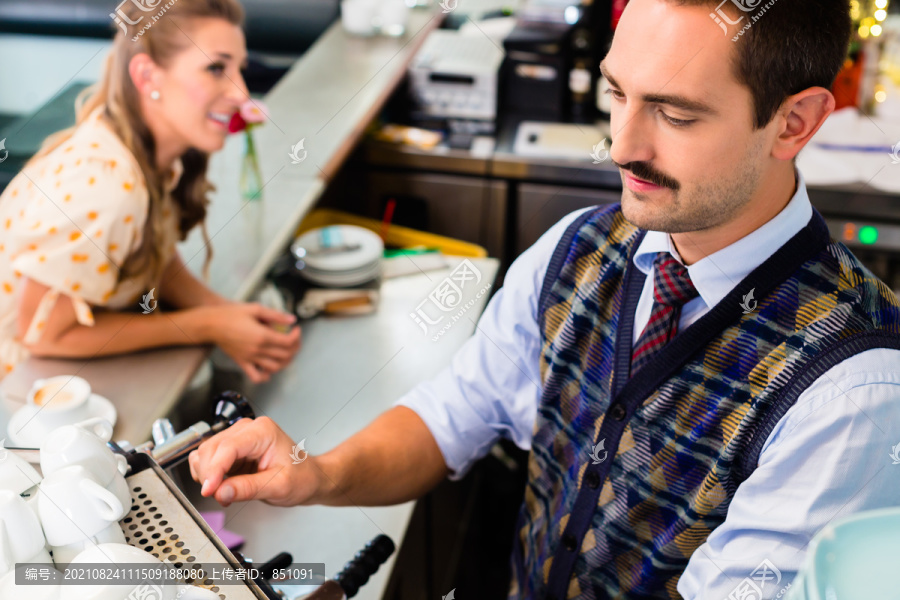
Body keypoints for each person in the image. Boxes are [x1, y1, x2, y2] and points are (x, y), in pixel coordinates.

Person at [188, 0, 900, 597]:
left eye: (675, 115)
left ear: (794, 122)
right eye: (617, 93)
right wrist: (314, 474)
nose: (621, 145)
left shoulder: (853, 388)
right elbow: (454, 415)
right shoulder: (577, 246)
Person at [0, 0, 300, 383]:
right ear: (147, 76)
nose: (242, 93)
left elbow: (152, 248)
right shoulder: (105, 187)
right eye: (216, 68)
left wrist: (224, 312)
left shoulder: (150, 149)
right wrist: (206, 325)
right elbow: (43, 335)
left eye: (239, 69)